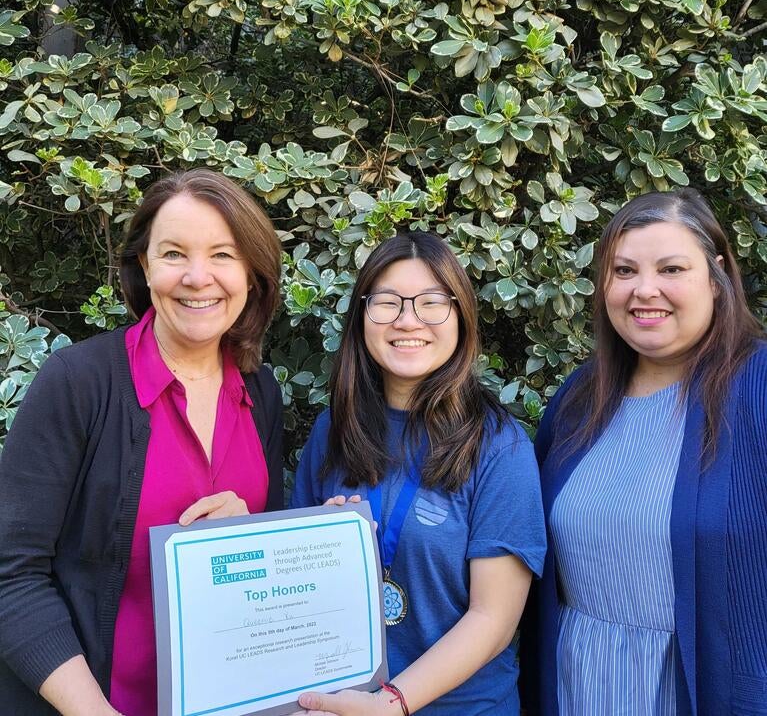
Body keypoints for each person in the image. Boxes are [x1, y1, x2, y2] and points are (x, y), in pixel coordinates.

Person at [0, 169, 285, 716]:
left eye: (223, 255)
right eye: (174, 253)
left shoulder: (261, 392)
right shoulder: (78, 384)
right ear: (144, 267)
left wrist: (248, 530)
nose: (198, 277)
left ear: (252, 272)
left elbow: (257, 577)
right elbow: (13, 575)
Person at [523, 188, 767, 715]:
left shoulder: (759, 387)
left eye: (672, 269)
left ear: (717, 276)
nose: (645, 290)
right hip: (577, 686)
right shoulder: (578, 398)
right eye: (625, 270)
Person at [291, 232, 546, 716]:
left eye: (431, 303)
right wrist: (319, 546)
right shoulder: (333, 430)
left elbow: (493, 619)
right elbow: (297, 595)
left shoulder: (499, 445)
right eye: (387, 302)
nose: (408, 320)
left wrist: (393, 704)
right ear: (362, 316)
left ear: (461, 316)